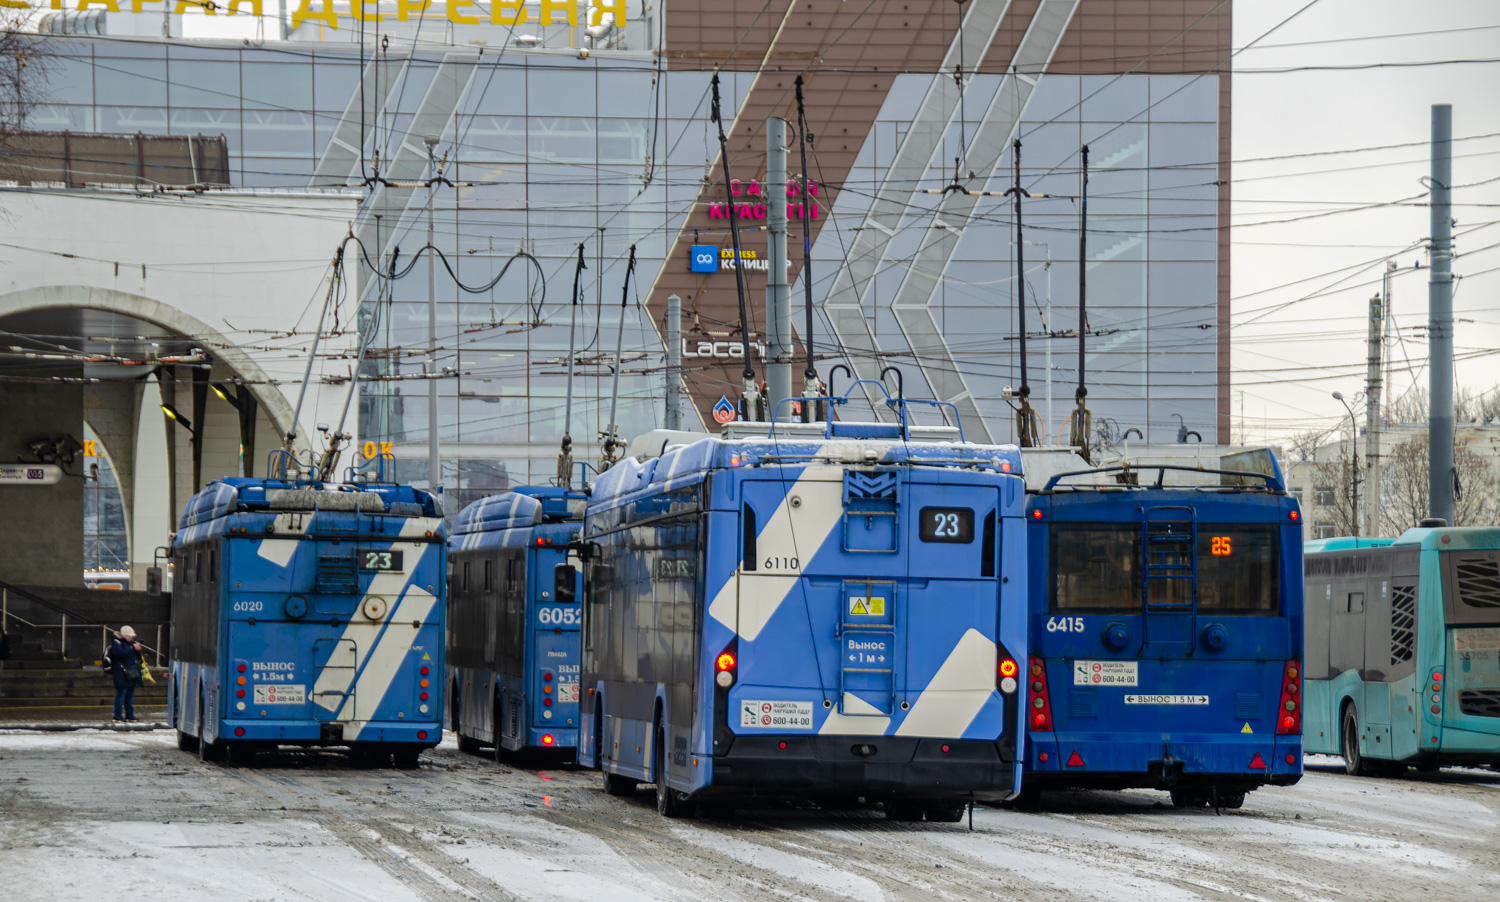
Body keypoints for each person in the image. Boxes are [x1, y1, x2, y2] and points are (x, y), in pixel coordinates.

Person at [106, 626, 143, 723]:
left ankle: (129, 715)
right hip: (121, 673)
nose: (131, 638)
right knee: (121, 694)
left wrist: (138, 650)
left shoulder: (132, 644)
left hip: (131, 673)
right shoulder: (117, 642)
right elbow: (120, 653)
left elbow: (138, 657)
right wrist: (133, 648)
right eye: (129, 636)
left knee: (130, 695)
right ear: (124, 635)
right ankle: (117, 716)